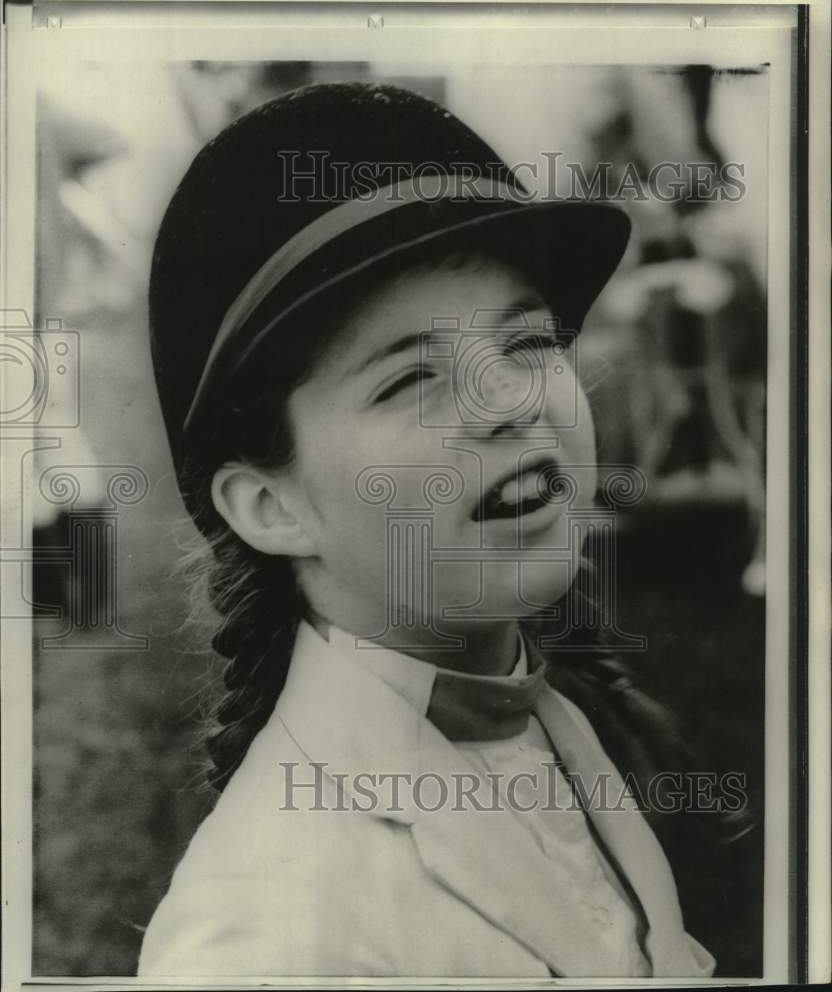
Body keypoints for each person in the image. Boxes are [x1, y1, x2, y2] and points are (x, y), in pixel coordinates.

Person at [138, 81, 715, 979]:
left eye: (527, 342)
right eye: (409, 380)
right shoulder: (265, 934)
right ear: (270, 506)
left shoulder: (552, 721)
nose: (511, 401)